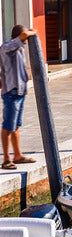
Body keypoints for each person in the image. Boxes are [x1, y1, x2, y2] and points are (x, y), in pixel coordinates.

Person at [0, 25, 36, 170]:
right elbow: (22, 37)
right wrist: (32, 32)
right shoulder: (7, 48)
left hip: (20, 92)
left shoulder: (19, 49)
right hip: (11, 92)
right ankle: (6, 159)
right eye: (26, 37)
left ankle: (18, 155)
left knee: (15, 126)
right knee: (8, 126)